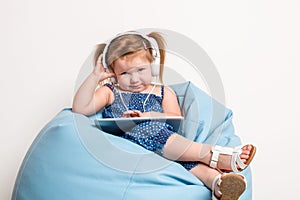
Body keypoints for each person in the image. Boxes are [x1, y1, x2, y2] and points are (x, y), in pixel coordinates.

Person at [72, 31, 256, 200]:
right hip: (129, 144)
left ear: (152, 65)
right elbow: (81, 108)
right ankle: (212, 155)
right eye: (125, 73)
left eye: (140, 70)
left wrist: (148, 115)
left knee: (183, 162)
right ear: (113, 72)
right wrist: (95, 76)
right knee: (149, 131)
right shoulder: (110, 91)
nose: (134, 79)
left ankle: (218, 183)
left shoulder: (162, 92)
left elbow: (173, 116)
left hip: (163, 144)